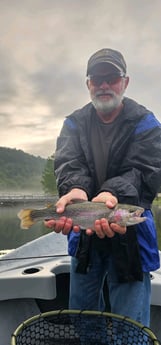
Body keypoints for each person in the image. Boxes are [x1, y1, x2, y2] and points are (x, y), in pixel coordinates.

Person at [45, 48, 161, 327]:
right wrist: (74, 189)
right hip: (84, 232)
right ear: (88, 84)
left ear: (125, 82)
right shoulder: (73, 123)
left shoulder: (146, 123)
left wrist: (113, 194)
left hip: (130, 237)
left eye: (112, 77)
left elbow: (146, 171)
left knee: (130, 325)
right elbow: (68, 162)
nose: (104, 85)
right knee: (83, 317)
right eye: (97, 78)